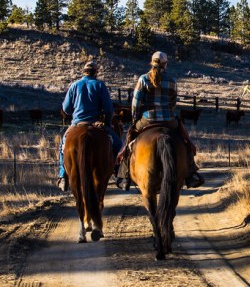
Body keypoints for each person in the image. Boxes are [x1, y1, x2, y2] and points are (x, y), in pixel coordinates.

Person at [116, 51, 204, 189]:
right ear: (165, 64)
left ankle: (125, 175)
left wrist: (135, 120)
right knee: (184, 139)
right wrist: (168, 112)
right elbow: (173, 103)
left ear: (152, 63)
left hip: (147, 119)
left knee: (130, 139)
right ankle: (191, 174)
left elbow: (135, 103)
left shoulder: (143, 79)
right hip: (168, 119)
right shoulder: (172, 81)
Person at [57, 61, 123, 191]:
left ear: (84, 72)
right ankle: (119, 173)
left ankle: (62, 175)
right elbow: (109, 109)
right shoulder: (99, 85)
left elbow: (66, 108)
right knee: (119, 145)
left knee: (62, 146)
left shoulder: (74, 85)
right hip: (96, 124)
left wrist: (76, 113)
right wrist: (107, 123)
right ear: (96, 72)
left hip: (77, 123)